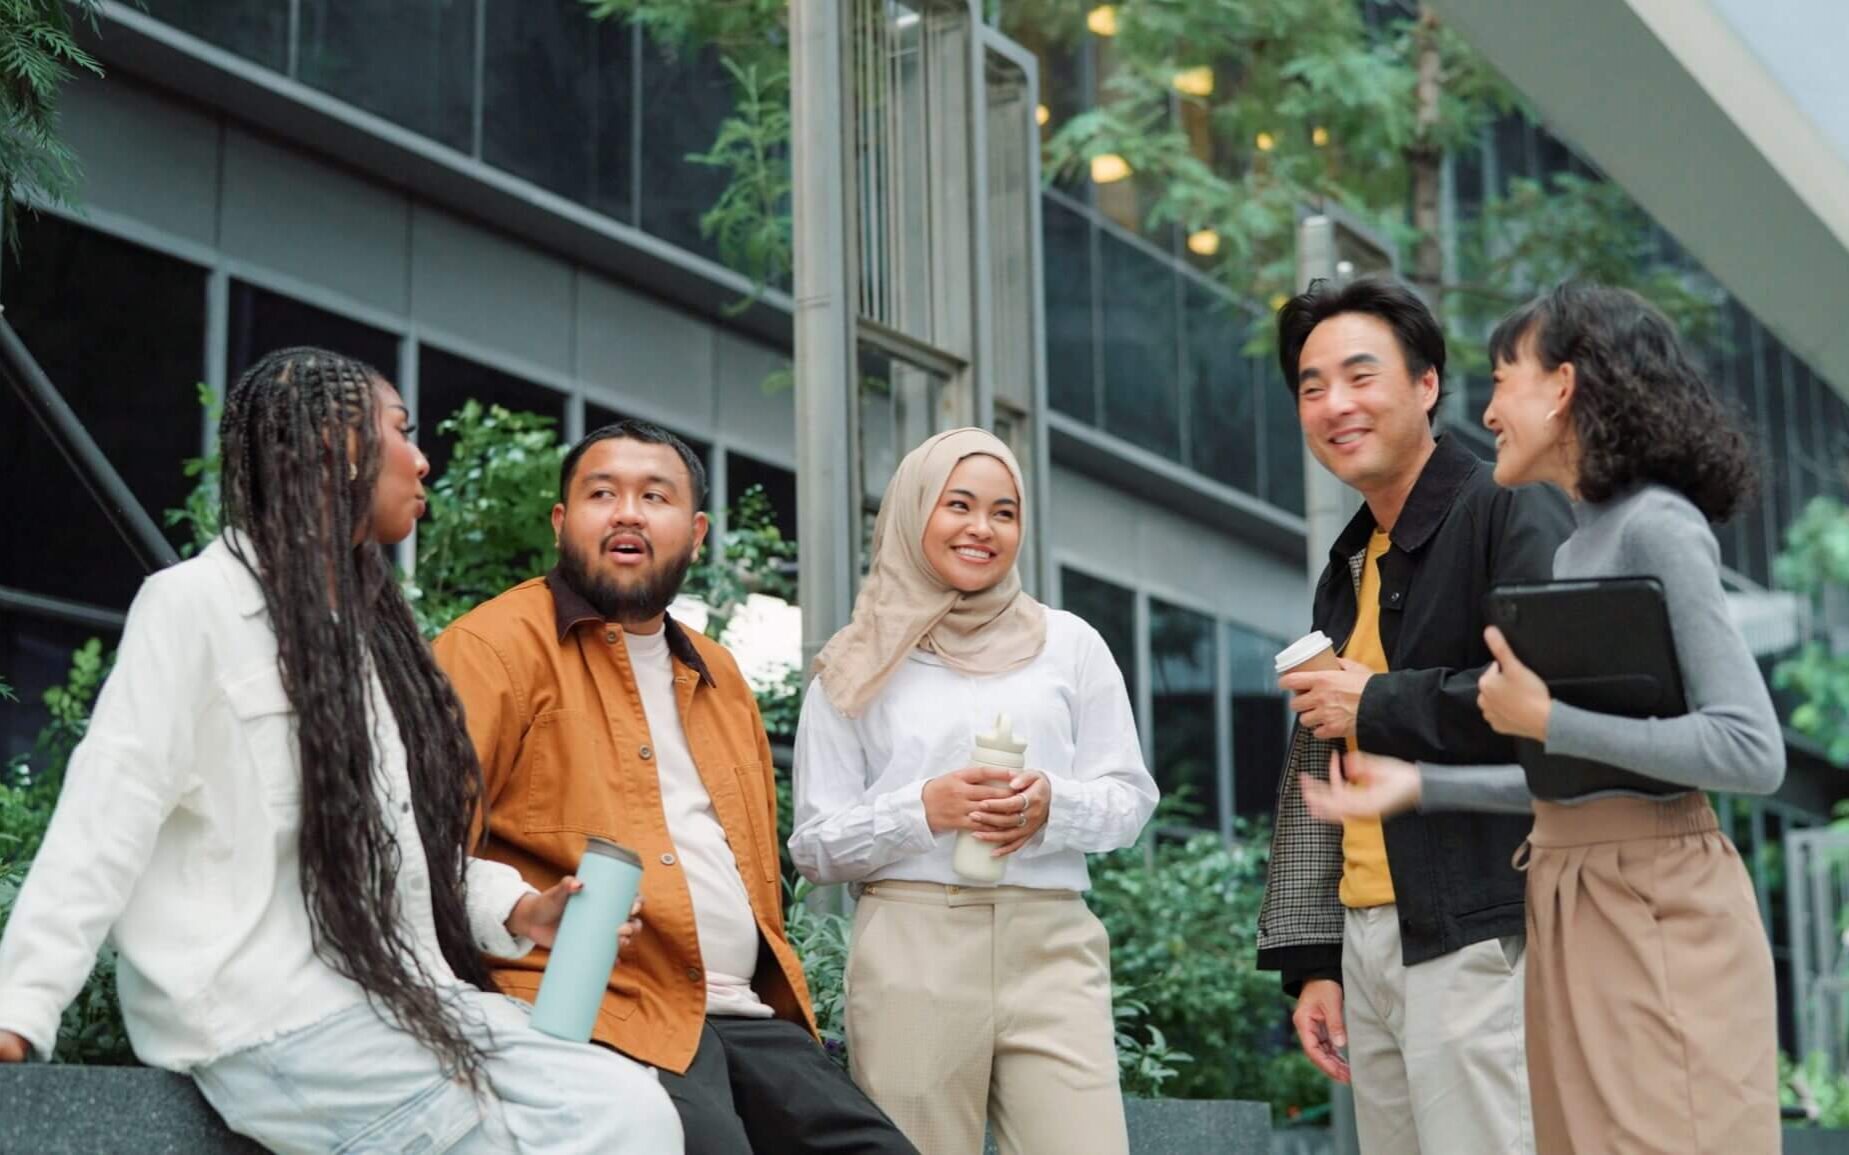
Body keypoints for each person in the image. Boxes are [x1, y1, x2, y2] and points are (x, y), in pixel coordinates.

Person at [0, 348, 680, 1155]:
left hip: (394, 1004)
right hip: (271, 1021)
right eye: (401, 430)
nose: (423, 458)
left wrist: (520, 911)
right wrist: (15, 1012)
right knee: (603, 1123)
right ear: (336, 444)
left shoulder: (366, 640)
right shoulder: (195, 605)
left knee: (634, 1109)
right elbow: (105, 815)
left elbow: (388, 852)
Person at [1300, 283, 1786, 1155]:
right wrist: (1421, 784)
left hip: (1654, 900)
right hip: (1572, 892)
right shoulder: (1575, 543)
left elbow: (1750, 750)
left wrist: (1548, 718)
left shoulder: (1657, 526)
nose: (1485, 412)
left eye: (1501, 380)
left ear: (1561, 388)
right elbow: (1573, 782)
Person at [432, 418, 917, 1155]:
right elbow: (424, 852)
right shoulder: (490, 647)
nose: (627, 511)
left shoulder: (719, 673)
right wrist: (527, 909)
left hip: (742, 1012)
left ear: (693, 534)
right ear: (563, 522)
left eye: (653, 495)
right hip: (597, 1004)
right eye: (602, 493)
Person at [1257, 276, 1572, 1155]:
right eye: (1311, 387)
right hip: (1368, 935)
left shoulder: (1503, 506)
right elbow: (1327, 763)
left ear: (1426, 385)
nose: (1334, 404)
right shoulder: (1352, 557)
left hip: (1477, 924)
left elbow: (1554, 706)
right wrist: (1317, 962)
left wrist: (1379, 697)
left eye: (1360, 375)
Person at [789, 427, 1157, 1155]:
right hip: (912, 943)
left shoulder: (1070, 643)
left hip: (1053, 938)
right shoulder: (855, 662)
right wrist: (923, 809)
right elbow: (813, 845)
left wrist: (1053, 802)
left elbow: (1129, 799)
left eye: (1004, 511)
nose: (982, 528)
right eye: (958, 504)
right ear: (913, 509)